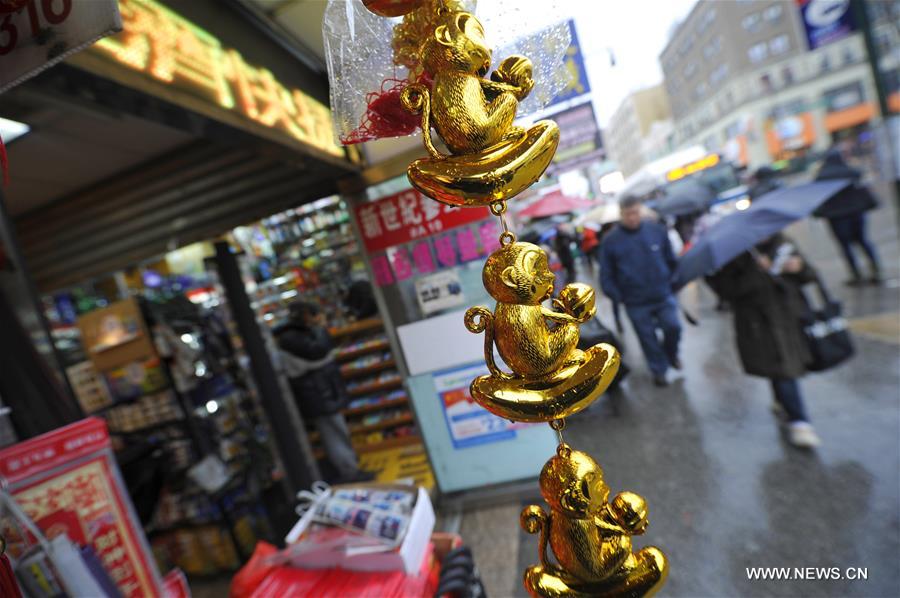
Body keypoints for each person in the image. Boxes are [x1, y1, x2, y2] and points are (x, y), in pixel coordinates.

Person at [707, 234, 821, 448]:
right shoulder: (734, 252)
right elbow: (727, 291)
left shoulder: (784, 244)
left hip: (789, 317)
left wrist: (798, 268)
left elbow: (809, 275)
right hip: (757, 323)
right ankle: (800, 422)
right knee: (784, 367)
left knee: (782, 365)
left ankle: (782, 400)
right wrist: (759, 271)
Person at [274, 301, 373, 482]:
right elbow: (319, 353)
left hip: (319, 391)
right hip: (316, 393)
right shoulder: (291, 338)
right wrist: (320, 328)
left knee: (336, 430)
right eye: (315, 314)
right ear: (307, 315)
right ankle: (349, 471)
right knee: (333, 432)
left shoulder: (293, 335)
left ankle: (349, 466)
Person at [599, 196, 682, 387]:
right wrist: (618, 296)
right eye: (628, 214)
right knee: (648, 338)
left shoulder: (656, 230)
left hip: (662, 293)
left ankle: (671, 354)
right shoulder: (611, 241)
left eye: (635, 213)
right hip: (635, 301)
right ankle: (658, 370)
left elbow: (671, 259)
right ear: (621, 214)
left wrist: (673, 281)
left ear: (641, 211)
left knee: (673, 327)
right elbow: (606, 274)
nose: (632, 218)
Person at [813, 148, 880, 286]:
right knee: (863, 241)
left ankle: (856, 275)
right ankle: (875, 270)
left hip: (837, 218)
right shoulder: (850, 172)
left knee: (845, 246)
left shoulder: (822, 176)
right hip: (856, 214)